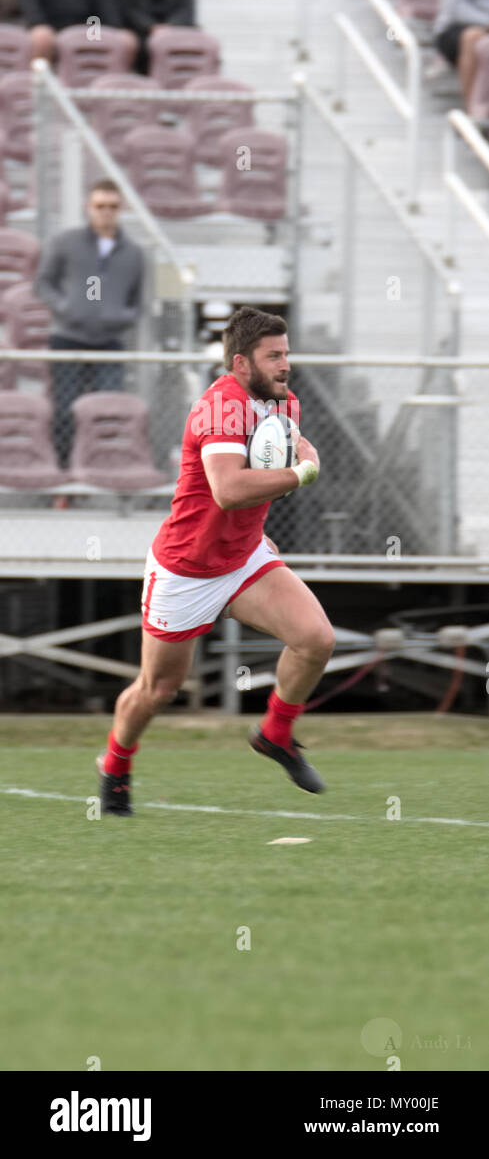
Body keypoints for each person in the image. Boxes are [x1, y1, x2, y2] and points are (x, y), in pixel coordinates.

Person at [96, 306, 336, 816]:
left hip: (243, 560)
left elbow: (282, 456)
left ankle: (276, 733)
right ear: (240, 363)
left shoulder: (283, 402)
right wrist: (302, 475)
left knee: (316, 639)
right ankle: (115, 765)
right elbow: (228, 490)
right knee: (158, 689)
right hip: (186, 568)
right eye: (274, 356)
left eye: (287, 353)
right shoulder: (220, 407)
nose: (285, 364)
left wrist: (264, 525)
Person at [35, 179, 144, 466]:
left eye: (112, 206)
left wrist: (120, 317)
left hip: (109, 343)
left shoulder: (133, 253)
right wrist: (66, 307)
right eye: (100, 206)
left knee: (106, 409)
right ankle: (63, 470)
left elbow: (139, 299)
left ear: (121, 209)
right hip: (67, 339)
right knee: (65, 409)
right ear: (89, 207)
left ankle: (101, 468)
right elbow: (43, 283)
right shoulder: (66, 243)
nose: (106, 212)